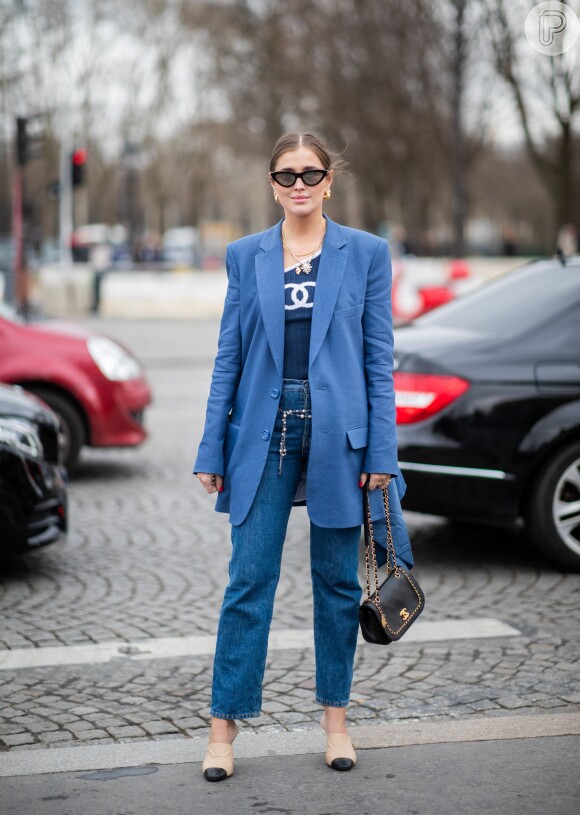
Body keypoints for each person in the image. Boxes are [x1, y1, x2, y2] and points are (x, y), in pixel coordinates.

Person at [193, 132, 414, 781]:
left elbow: (379, 361)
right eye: (286, 174)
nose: (298, 183)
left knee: (338, 585)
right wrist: (212, 446)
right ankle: (223, 728)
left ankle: (337, 723)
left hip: (340, 436)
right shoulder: (245, 256)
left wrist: (382, 448)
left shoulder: (367, 254)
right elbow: (228, 357)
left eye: (309, 173)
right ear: (271, 183)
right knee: (247, 581)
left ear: (328, 181)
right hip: (263, 432)